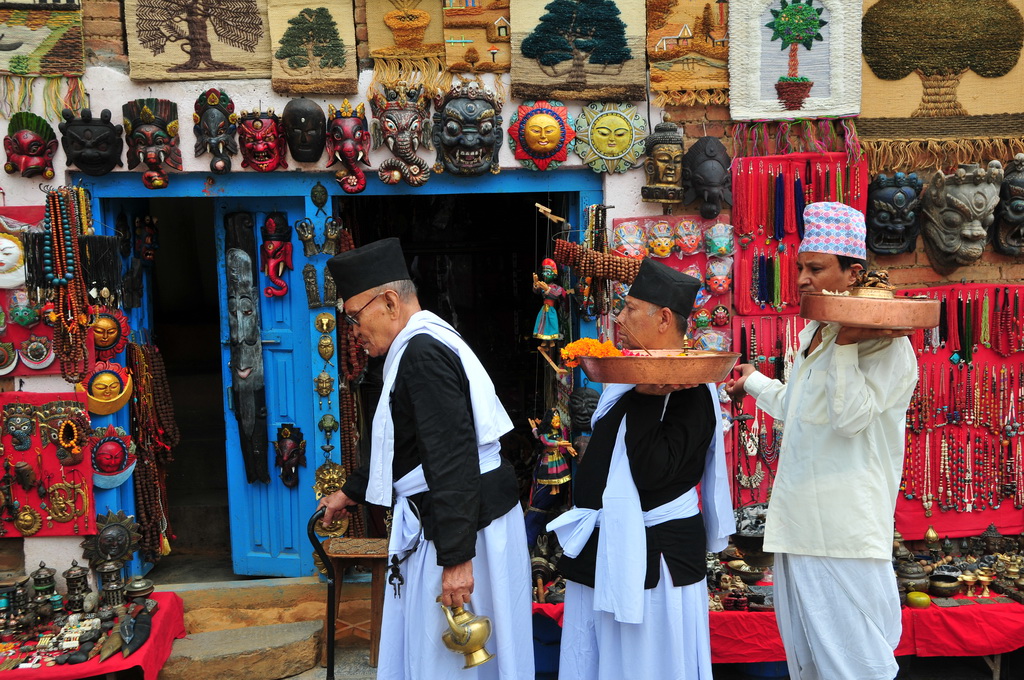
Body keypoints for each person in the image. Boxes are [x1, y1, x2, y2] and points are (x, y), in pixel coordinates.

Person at [319, 238, 533, 680]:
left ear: (390, 301)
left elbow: (452, 456)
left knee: (451, 660)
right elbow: (407, 444)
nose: (353, 332)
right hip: (458, 519)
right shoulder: (421, 342)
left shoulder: (422, 353)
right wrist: (351, 492)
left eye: (355, 318)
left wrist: (456, 560)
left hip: (459, 526)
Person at [726, 202, 918, 680]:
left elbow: (849, 419)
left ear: (853, 273)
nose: (802, 279)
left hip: (843, 530)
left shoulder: (885, 342)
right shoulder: (817, 331)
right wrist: (752, 381)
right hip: (799, 524)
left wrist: (851, 341)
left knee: (856, 662)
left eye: (815, 268)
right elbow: (803, 410)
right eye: (799, 268)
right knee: (810, 660)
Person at [548, 258, 735, 680]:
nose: (619, 317)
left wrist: (651, 398)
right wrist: (643, 392)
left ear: (665, 318)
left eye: (630, 308)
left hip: (656, 560)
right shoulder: (628, 379)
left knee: (649, 667)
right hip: (609, 547)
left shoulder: (690, 391)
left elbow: (654, 473)